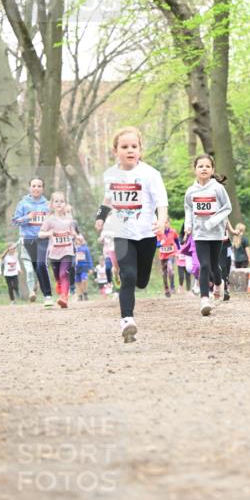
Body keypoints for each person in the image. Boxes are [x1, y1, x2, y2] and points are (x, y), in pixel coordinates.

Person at [95, 127, 168, 342]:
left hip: (146, 233)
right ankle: (127, 319)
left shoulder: (150, 174)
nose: (130, 150)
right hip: (122, 232)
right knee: (128, 276)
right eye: (124, 147)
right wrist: (101, 216)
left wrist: (162, 220)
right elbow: (107, 199)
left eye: (134, 147)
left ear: (140, 150)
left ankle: (136, 284)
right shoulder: (111, 175)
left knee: (142, 280)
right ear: (115, 150)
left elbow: (161, 201)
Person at [184, 154, 232, 316]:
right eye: (200, 166)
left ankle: (219, 282)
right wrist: (188, 225)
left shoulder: (218, 188)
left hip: (216, 233)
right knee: (204, 265)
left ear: (212, 170)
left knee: (213, 266)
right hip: (199, 234)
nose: (204, 169)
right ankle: (205, 299)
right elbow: (188, 208)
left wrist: (213, 221)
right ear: (195, 170)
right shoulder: (191, 191)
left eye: (207, 166)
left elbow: (227, 208)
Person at [12, 176, 53, 307]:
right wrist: (27, 217)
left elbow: (53, 221)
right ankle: (43, 293)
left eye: (39, 186)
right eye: (34, 186)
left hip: (43, 239)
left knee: (42, 265)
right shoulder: (23, 203)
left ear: (43, 188)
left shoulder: (47, 205)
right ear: (30, 188)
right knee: (37, 268)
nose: (36, 188)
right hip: (28, 240)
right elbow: (15, 221)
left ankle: (48, 296)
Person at [39, 191, 77, 308]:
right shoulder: (49, 220)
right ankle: (60, 286)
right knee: (57, 276)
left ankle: (64, 297)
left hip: (67, 251)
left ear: (65, 204)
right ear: (52, 204)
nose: (59, 204)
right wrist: (49, 233)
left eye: (62, 201)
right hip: (54, 253)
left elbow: (72, 231)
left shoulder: (69, 218)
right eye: (56, 201)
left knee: (63, 274)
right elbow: (40, 233)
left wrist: (75, 235)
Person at [157, 218, 180, 297]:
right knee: (164, 273)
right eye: (164, 223)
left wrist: (179, 250)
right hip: (163, 255)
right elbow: (156, 244)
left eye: (166, 222)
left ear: (169, 223)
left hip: (171, 253)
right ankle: (166, 289)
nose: (165, 224)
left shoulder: (173, 231)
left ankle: (172, 287)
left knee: (170, 269)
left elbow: (177, 240)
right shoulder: (159, 233)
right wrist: (159, 244)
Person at [74, 235, 94, 301]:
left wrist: (90, 268)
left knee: (84, 280)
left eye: (80, 240)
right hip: (76, 267)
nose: (78, 241)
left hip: (84, 266)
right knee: (77, 282)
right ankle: (80, 295)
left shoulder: (85, 248)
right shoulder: (74, 249)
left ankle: (85, 293)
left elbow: (89, 258)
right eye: (77, 240)